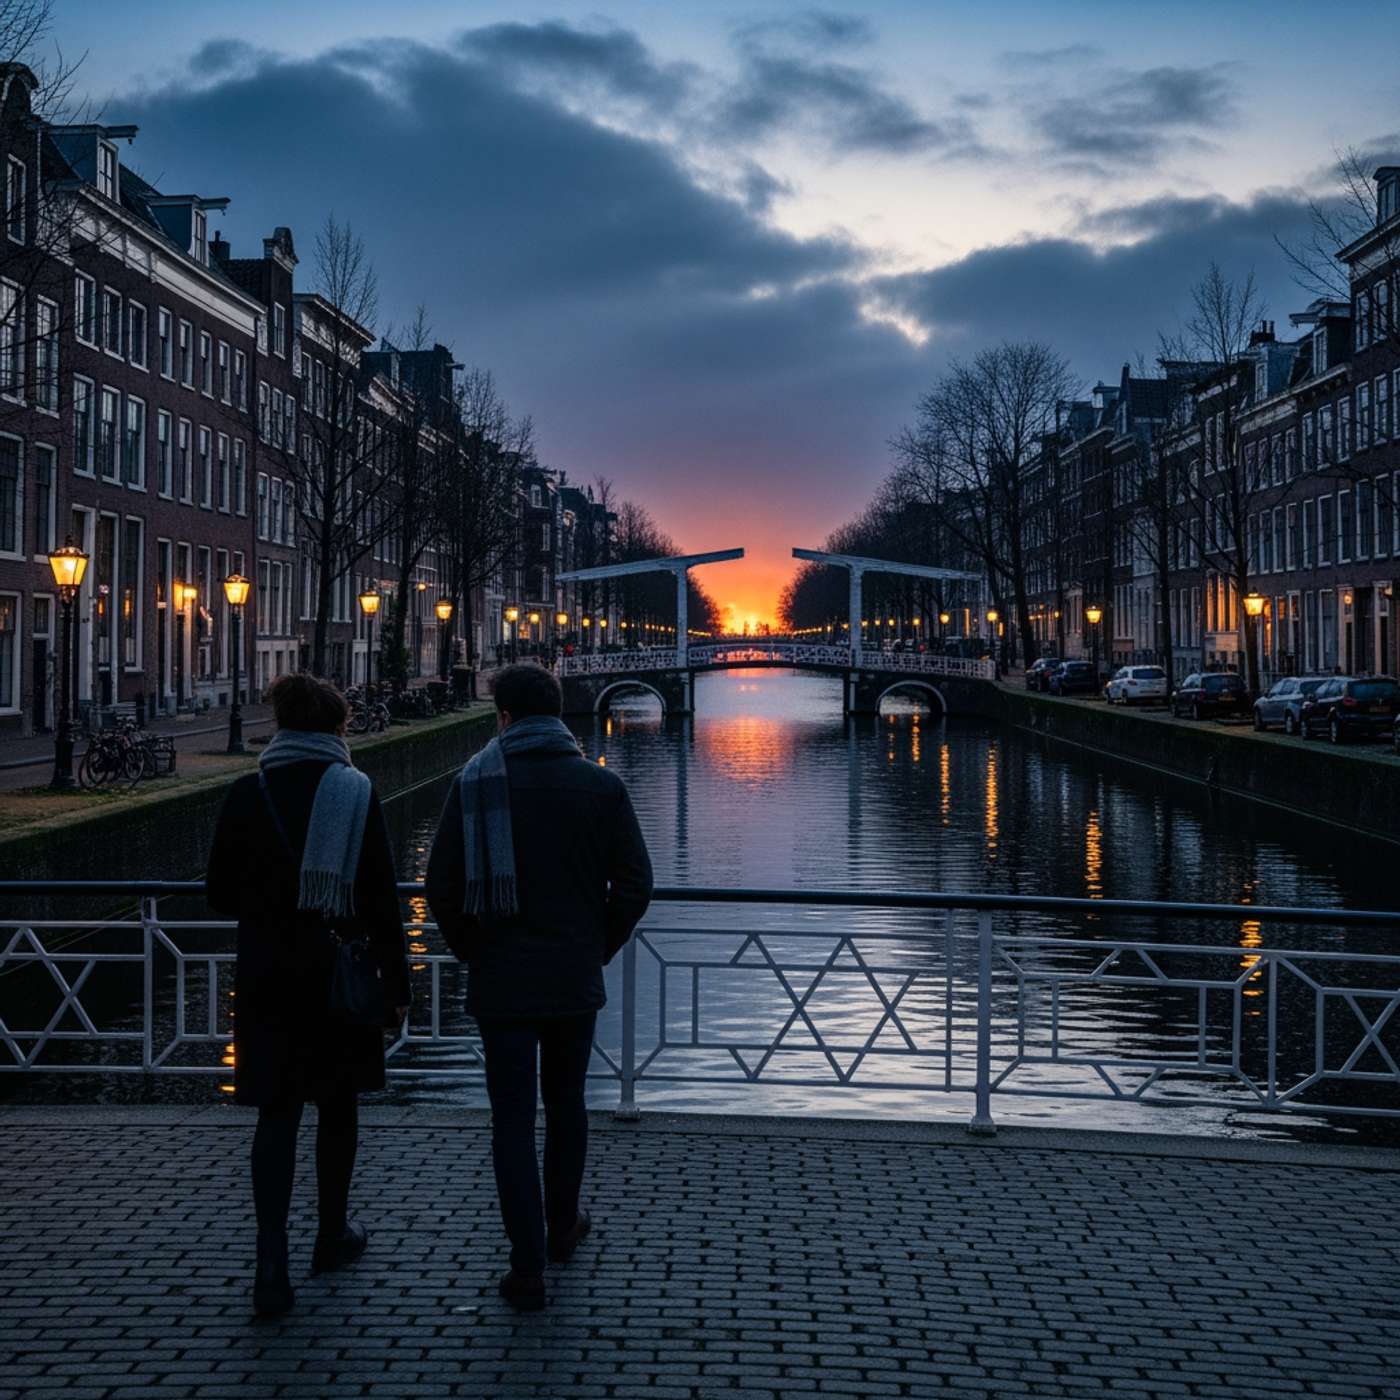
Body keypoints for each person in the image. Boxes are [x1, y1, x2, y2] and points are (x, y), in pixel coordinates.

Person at [426, 663, 652, 1312]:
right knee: (567, 1103)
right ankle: (562, 1228)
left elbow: (441, 887)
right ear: (557, 712)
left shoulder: (474, 783)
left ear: (503, 717)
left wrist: (475, 950)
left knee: (511, 1119)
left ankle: (526, 1267)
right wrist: (595, 946)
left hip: (501, 978)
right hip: (572, 976)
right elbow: (635, 885)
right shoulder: (601, 786)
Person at [206, 672, 411, 1318]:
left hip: (268, 974)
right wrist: (397, 985)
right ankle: (331, 1236)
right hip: (336, 976)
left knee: (277, 1113)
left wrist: (269, 906)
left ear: (281, 726)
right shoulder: (355, 791)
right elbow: (381, 899)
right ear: (336, 727)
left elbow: (217, 892)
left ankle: (271, 1265)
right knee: (338, 1107)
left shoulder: (249, 791)